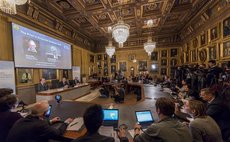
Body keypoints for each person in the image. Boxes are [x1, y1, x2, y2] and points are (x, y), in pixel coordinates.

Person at [6, 101, 73, 142]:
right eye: (47, 110)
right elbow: (57, 133)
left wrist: (51, 121)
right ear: (43, 113)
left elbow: (35, 125)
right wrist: (66, 123)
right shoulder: (41, 125)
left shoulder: (22, 120)